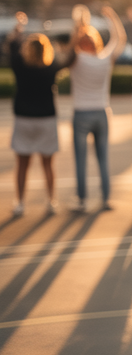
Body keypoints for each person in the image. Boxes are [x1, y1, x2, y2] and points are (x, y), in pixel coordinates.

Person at [7, 13, 74, 216]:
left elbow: (11, 46)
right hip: (46, 119)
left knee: (22, 164)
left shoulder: (20, 66)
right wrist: (77, 34)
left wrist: (19, 27)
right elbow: (70, 58)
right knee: (48, 164)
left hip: (24, 119)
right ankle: (51, 201)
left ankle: (19, 203)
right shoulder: (50, 68)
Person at [68, 4, 126, 211]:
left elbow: (70, 47)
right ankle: (105, 199)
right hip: (102, 112)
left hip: (81, 113)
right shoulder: (105, 61)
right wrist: (112, 17)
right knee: (103, 158)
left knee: (80, 160)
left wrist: (79, 25)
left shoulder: (76, 60)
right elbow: (120, 39)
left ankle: (82, 200)